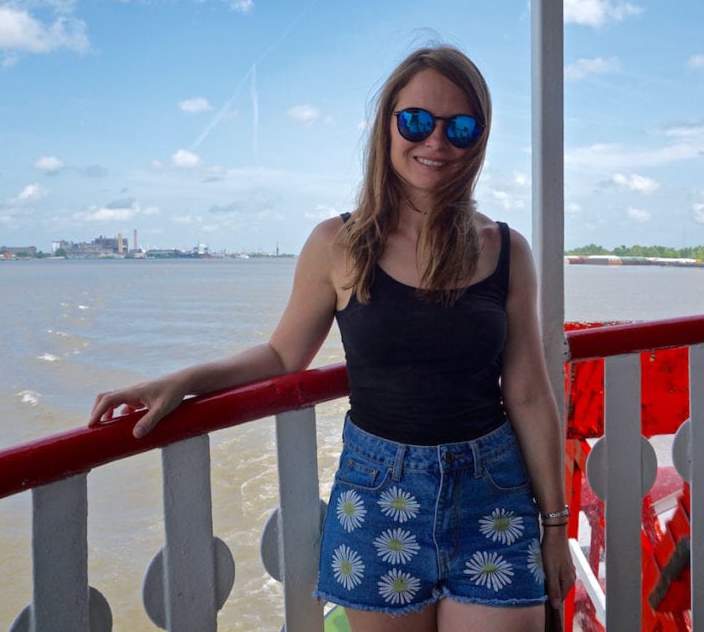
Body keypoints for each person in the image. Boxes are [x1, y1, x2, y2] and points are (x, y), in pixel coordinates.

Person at [89, 45, 576, 631]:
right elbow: (282, 354)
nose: (436, 142)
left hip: (492, 495)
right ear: (387, 125)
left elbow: (527, 394)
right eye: (417, 121)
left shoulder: (505, 249)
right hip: (377, 496)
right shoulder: (338, 245)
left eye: (461, 128)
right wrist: (186, 380)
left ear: (479, 141)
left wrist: (555, 525)